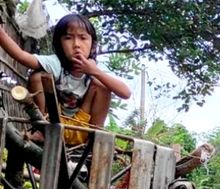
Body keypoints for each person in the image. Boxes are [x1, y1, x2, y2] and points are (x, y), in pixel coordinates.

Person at [0, 13, 131, 146]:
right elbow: (21, 56)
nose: (76, 45)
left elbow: (126, 93)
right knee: (38, 76)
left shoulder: (93, 71)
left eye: (83, 38)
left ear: (93, 45)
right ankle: (39, 127)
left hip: (81, 130)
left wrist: (94, 71)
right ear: (59, 44)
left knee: (102, 86)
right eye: (68, 38)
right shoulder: (56, 63)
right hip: (52, 125)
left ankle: (96, 139)